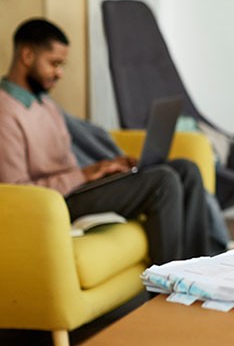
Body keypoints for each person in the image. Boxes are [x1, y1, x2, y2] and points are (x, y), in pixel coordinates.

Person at [0, 18, 214, 264]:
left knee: (186, 169)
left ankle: (200, 270)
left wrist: (105, 171)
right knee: (163, 181)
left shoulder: (47, 105)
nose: (59, 73)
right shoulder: (5, 112)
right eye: (54, 63)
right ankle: (168, 289)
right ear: (27, 56)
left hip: (76, 189)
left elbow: (67, 166)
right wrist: (84, 174)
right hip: (55, 205)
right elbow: (16, 192)